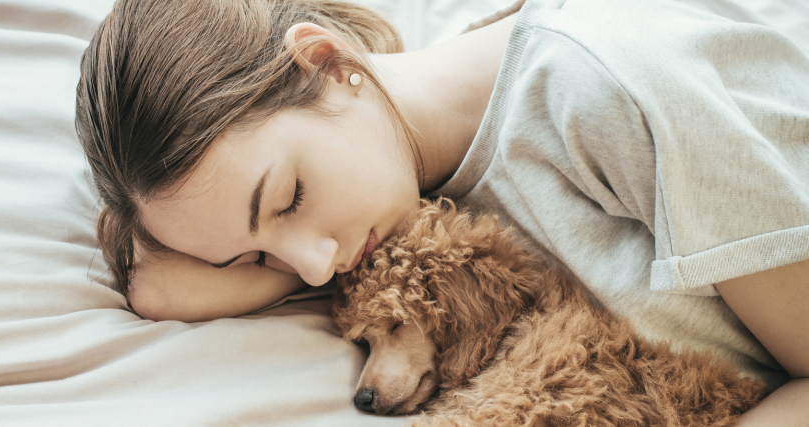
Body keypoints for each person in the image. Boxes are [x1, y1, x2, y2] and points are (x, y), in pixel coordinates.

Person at [74, 0, 809, 423]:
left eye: (287, 199)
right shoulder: (385, 187)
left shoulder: (606, 94)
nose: (316, 264)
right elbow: (165, 288)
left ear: (326, 65)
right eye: (252, 256)